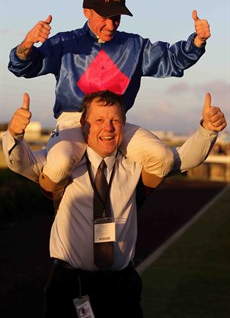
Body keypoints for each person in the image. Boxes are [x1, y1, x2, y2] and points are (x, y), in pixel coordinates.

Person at [2, 90, 226, 318]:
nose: (108, 128)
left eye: (115, 121)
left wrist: (207, 130)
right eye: (99, 120)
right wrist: (15, 135)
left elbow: (182, 159)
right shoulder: (62, 164)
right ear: (83, 124)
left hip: (121, 285)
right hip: (70, 284)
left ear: (124, 125)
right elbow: (22, 163)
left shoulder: (135, 166)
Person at [8, 0, 211, 198]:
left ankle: (131, 205)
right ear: (87, 12)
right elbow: (24, 67)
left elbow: (171, 59)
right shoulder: (66, 42)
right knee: (59, 164)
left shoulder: (134, 45)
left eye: (116, 17)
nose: (111, 24)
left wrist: (197, 41)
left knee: (163, 157)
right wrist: (27, 43)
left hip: (115, 123)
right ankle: (57, 206)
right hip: (73, 120)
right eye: (104, 17)